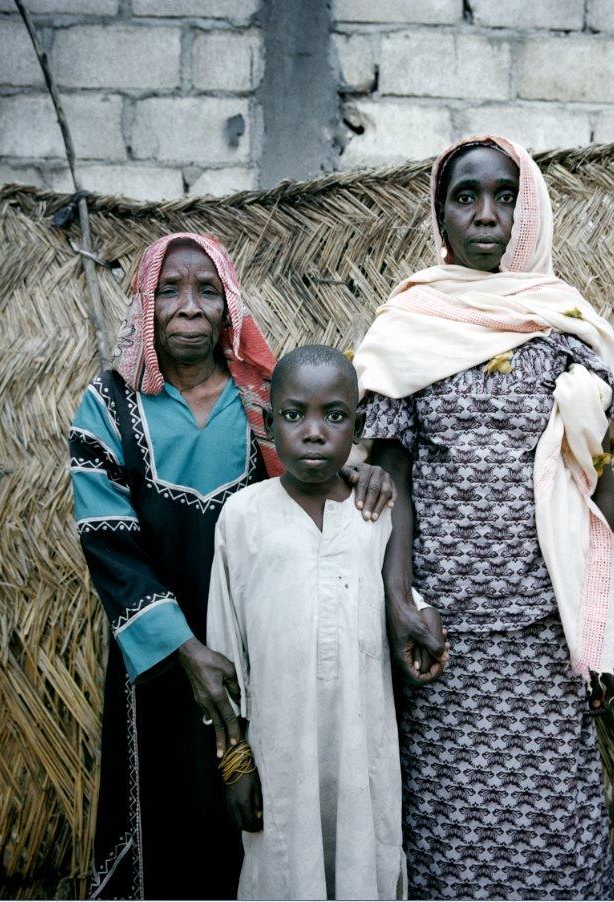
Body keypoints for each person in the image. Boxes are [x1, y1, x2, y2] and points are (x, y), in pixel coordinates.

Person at [68, 234, 396, 900]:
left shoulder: (257, 403)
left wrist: (361, 476)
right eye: (169, 290)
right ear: (144, 303)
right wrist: (185, 649)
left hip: (262, 656)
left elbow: (308, 471)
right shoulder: (106, 407)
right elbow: (108, 544)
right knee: (164, 809)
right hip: (157, 659)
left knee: (255, 816)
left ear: (228, 308)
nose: (188, 307)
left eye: (206, 290)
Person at [353, 136, 614, 900]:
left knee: (554, 823)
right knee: (451, 833)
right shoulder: (406, 329)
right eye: (465, 196)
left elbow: (595, 479)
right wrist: (399, 601)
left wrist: (595, 622)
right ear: (440, 214)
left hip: (543, 636)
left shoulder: (564, 330)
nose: (487, 214)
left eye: (505, 196)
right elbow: (393, 481)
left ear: (530, 209)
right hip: (444, 635)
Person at [206, 345, 438, 900]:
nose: (314, 433)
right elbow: (224, 657)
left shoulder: (373, 515)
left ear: (357, 426)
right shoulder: (242, 519)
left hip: (364, 757)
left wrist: (423, 631)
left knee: (364, 866)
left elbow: (397, 607)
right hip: (278, 760)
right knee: (285, 871)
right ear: (267, 422)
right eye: (294, 415)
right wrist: (236, 765)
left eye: (334, 416)